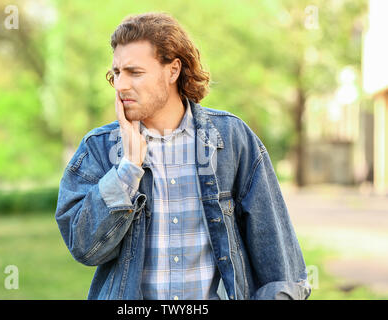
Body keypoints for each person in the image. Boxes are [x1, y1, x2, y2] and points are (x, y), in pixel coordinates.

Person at [55, 12, 311, 300]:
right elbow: (84, 247)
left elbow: (282, 267)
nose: (120, 85)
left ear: (173, 70)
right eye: (116, 73)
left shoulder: (231, 140)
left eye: (134, 72)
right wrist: (128, 169)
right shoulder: (99, 149)